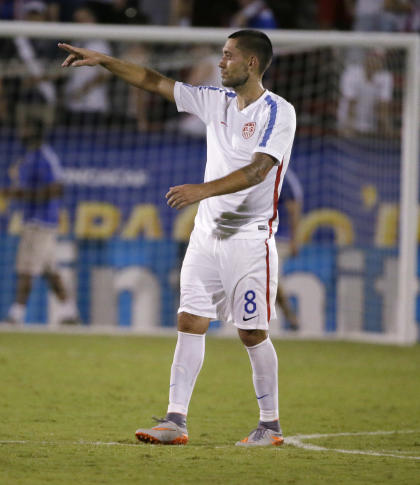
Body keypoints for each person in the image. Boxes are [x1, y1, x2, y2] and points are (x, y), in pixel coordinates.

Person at [59, 28, 296, 447]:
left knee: (251, 333)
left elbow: (259, 170)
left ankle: (270, 425)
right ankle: (175, 420)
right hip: (206, 236)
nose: (220, 62)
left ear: (251, 62)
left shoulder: (278, 112)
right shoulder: (215, 101)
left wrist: (201, 191)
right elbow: (154, 81)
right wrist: (106, 60)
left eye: (227, 55)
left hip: (249, 239)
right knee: (189, 321)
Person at [1, 113, 79, 326]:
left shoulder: (45, 156)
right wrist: (17, 193)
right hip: (34, 220)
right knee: (50, 271)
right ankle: (69, 313)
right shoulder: (30, 156)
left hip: (41, 222)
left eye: (25, 128)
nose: (21, 132)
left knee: (26, 268)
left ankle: (15, 315)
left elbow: (57, 188)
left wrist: (21, 195)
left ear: (34, 131)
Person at [337, 49, 395, 138]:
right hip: (346, 123)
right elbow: (351, 102)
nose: (375, 61)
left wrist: (386, 128)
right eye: (373, 57)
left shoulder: (386, 77)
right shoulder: (351, 73)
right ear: (366, 59)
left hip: (370, 127)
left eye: (379, 59)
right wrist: (348, 127)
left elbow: (384, 106)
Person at [275, 167, 303, 331]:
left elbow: (294, 208)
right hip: (257, 235)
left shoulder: (285, 176)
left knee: (270, 278)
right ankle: (291, 318)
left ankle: (291, 318)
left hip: (279, 238)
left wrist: (294, 240)